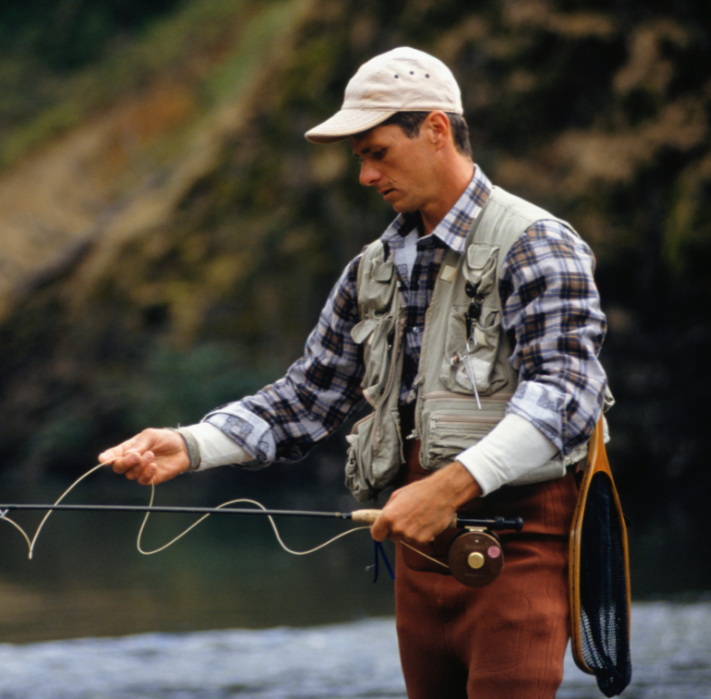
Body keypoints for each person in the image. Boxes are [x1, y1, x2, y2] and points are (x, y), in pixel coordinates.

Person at [99, 46, 609, 698]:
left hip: (517, 559)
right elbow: (307, 398)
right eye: (359, 159)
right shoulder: (372, 268)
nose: (365, 176)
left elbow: (566, 398)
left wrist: (448, 487)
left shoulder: (538, 243)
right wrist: (189, 444)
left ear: (435, 130)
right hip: (419, 572)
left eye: (377, 152)